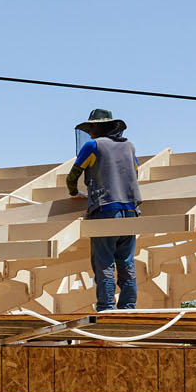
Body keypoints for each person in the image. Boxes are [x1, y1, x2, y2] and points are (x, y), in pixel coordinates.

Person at [66, 107, 140, 310]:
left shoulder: (93, 146)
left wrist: (73, 193)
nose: (89, 132)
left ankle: (107, 305)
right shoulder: (129, 147)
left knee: (104, 259)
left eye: (91, 128)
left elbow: (73, 175)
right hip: (131, 210)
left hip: (106, 209)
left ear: (98, 127)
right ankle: (128, 306)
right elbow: (135, 172)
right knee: (126, 261)